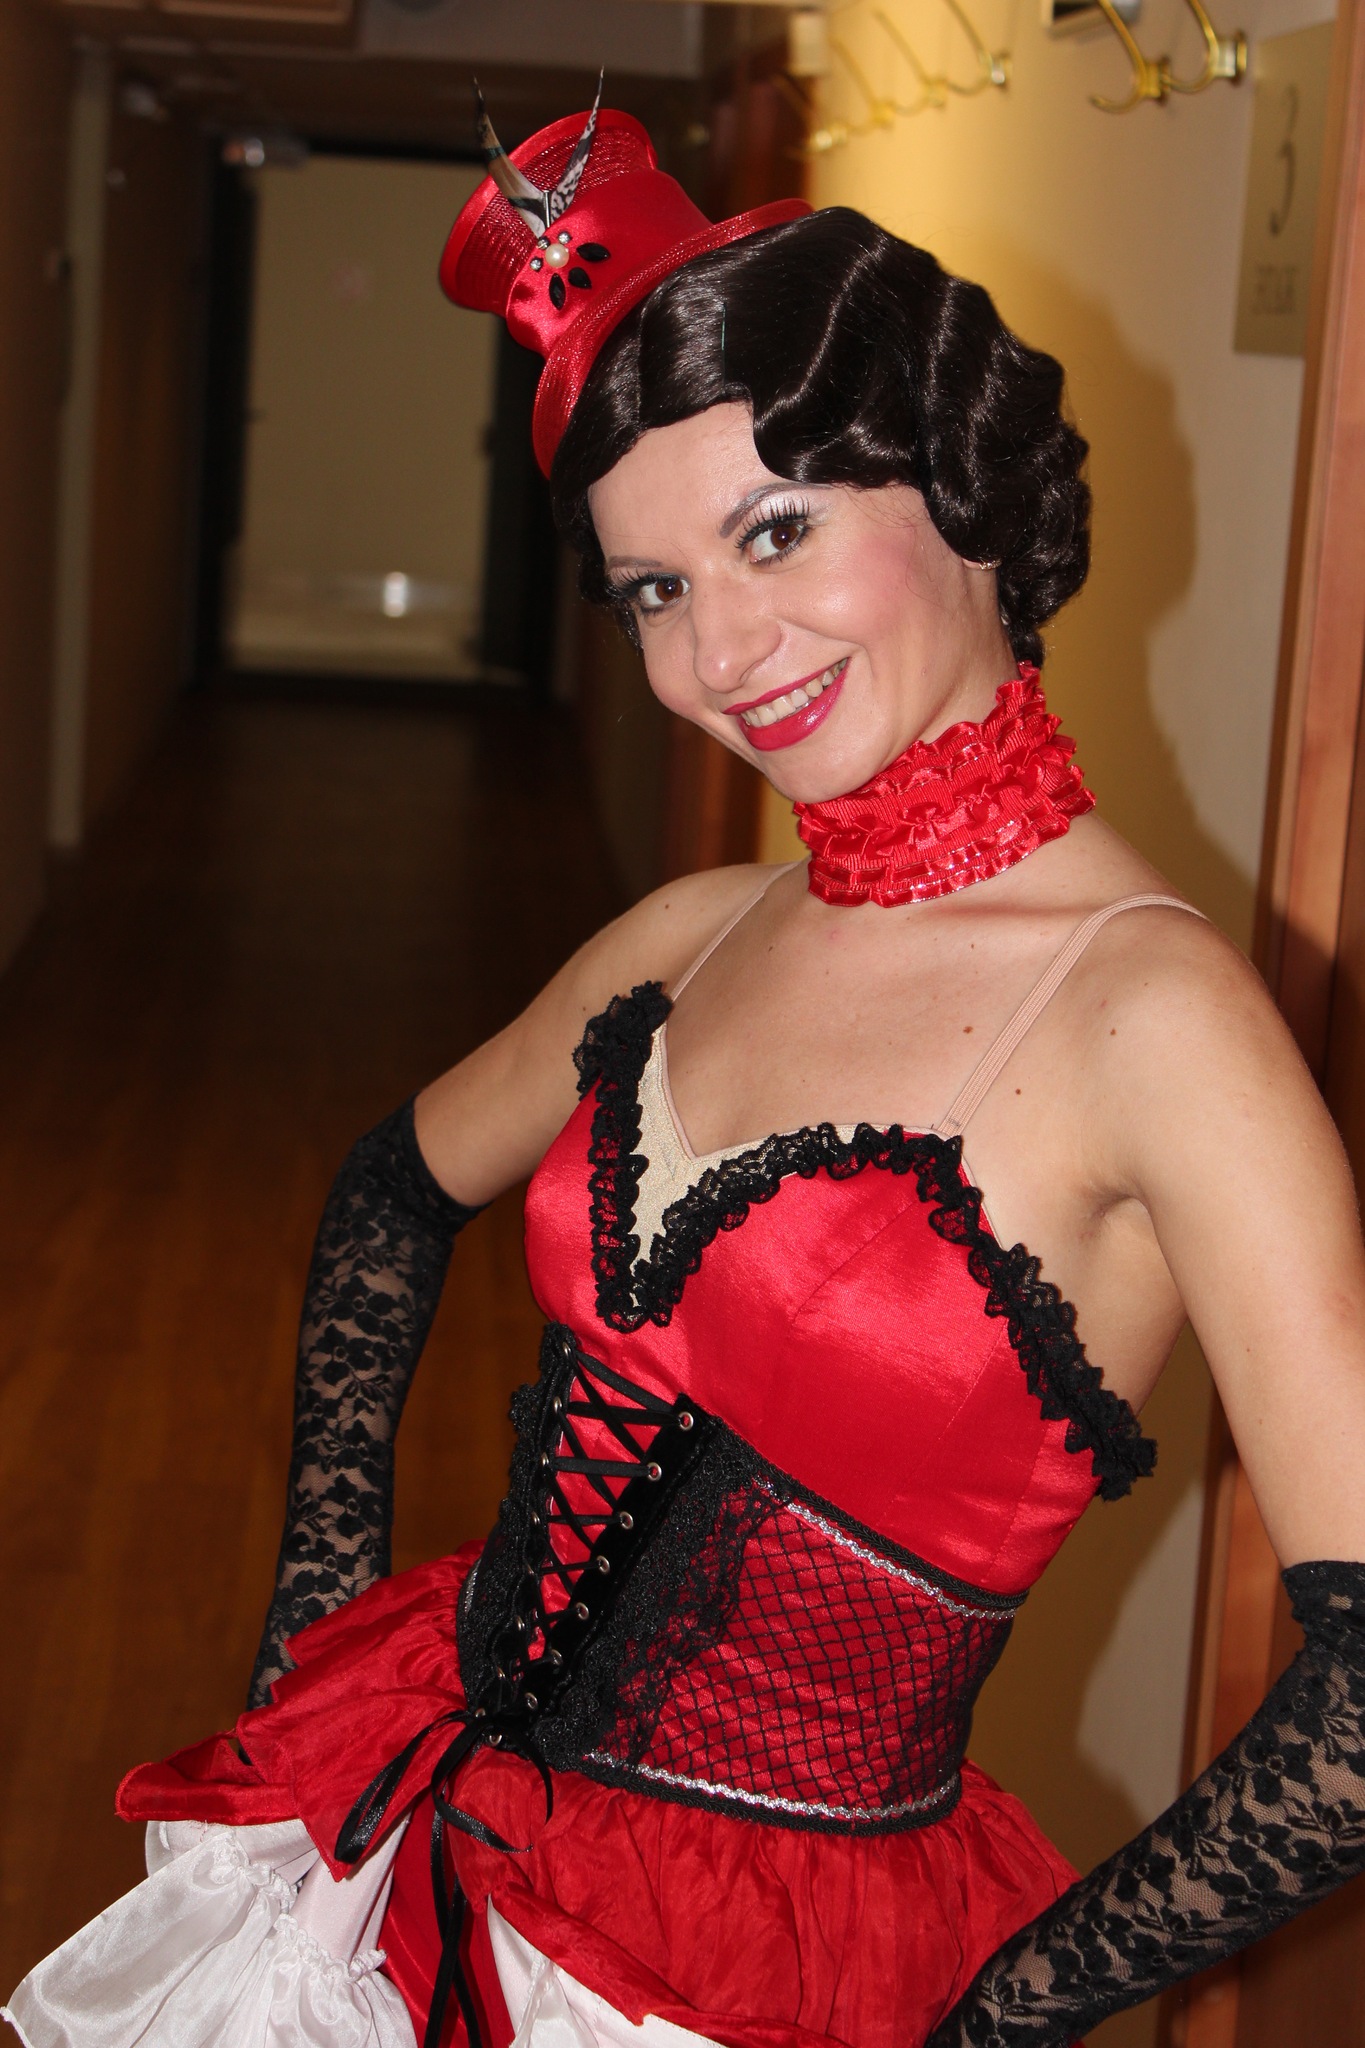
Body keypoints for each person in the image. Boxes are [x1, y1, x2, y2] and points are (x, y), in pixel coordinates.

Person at [6, 93, 1364, 2048]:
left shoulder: (1158, 1027)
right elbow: (392, 1188)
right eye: (653, 588)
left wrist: (996, 2011)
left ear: (962, 488)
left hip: (774, 1969)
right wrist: (313, 1617)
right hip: (409, 1820)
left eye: (771, 531)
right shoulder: (694, 934)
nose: (720, 652)